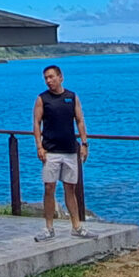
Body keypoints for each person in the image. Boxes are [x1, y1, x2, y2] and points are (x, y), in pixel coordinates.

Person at [31, 65, 87, 240]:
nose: (49, 81)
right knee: (49, 187)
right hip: (51, 151)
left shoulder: (71, 97)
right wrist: (39, 146)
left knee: (70, 188)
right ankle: (49, 228)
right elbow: (36, 123)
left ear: (60, 77)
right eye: (46, 78)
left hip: (70, 150)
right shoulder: (42, 99)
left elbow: (79, 120)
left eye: (51, 77)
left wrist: (84, 143)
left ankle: (76, 226)